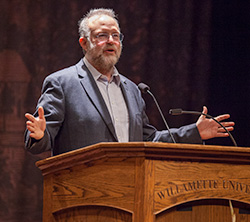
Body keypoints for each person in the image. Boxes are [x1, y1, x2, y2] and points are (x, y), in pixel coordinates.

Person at [24, 8, 234, 156]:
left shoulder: (132, 90)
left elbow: (148, 141)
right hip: (80, 196)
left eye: (116, 36)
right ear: (84, 43)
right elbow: (38, 141)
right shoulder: (62, 83)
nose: (111, 41)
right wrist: (40, 134)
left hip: (128, 194)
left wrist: (194, 133)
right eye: (102, 35)